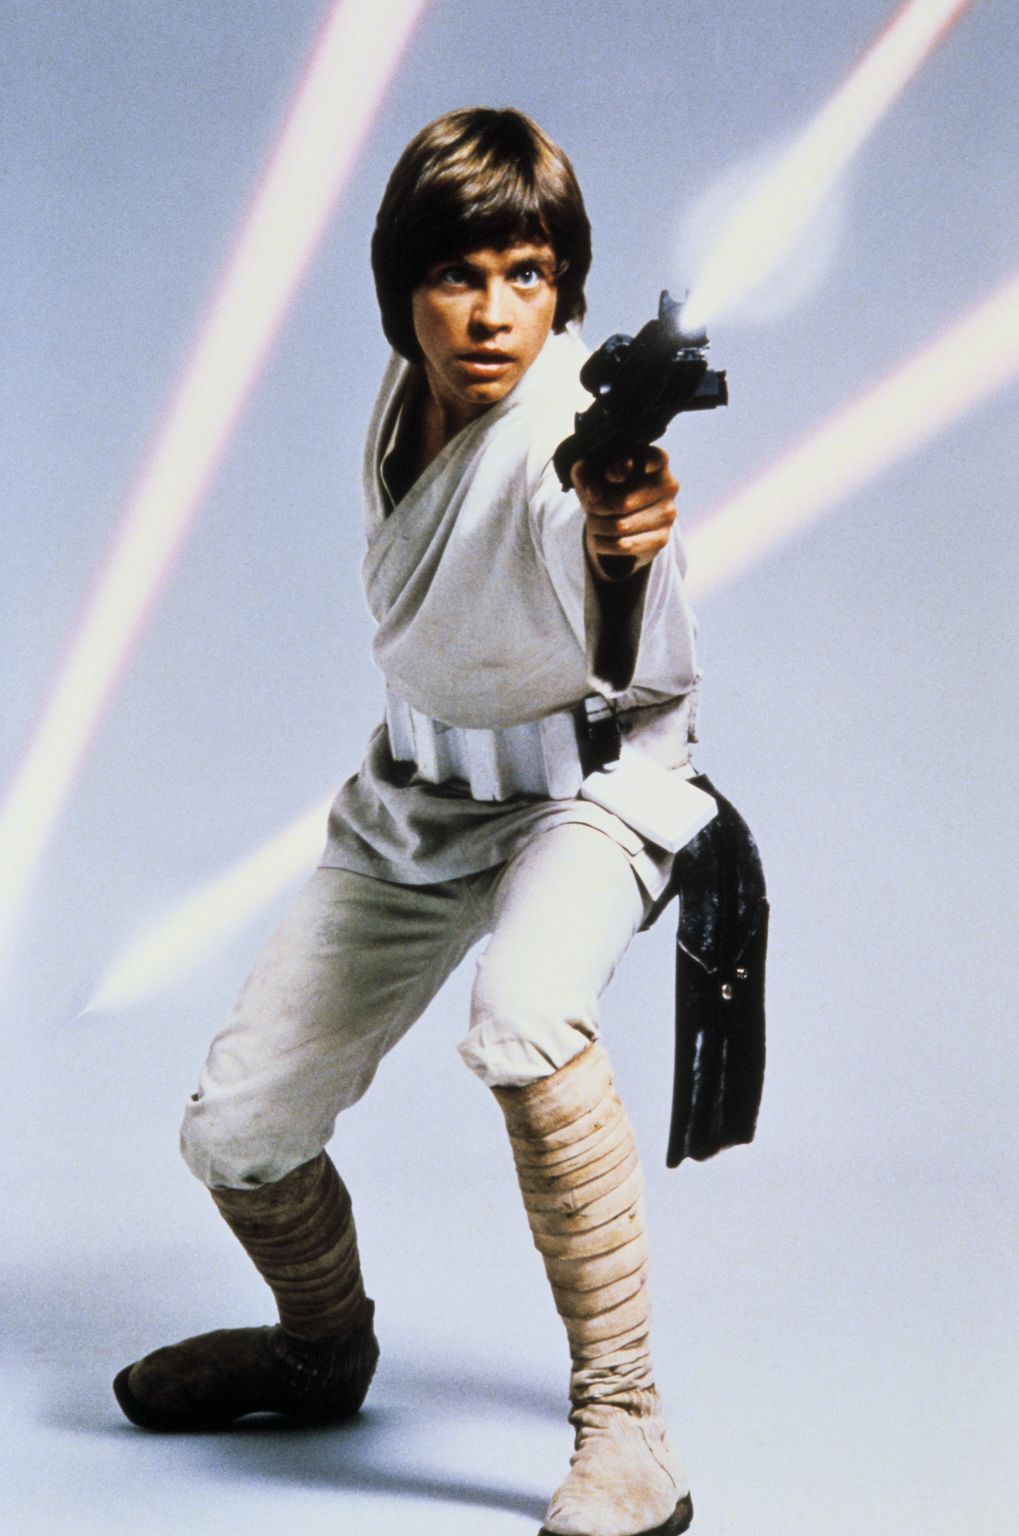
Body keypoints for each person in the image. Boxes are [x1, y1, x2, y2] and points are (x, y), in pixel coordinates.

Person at [114, 107, 701, 1536]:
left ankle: (626, 1419)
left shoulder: (570, 437)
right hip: (419, 795)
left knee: (526, 1019)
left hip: (585, 788)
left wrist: (620, 529)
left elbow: (600, 565)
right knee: (239, 1127)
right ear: (404, 291)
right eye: (458, 276)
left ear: (565, 289)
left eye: (527, 275)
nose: (493, 315)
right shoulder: (408, 388)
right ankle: (320, 1352)